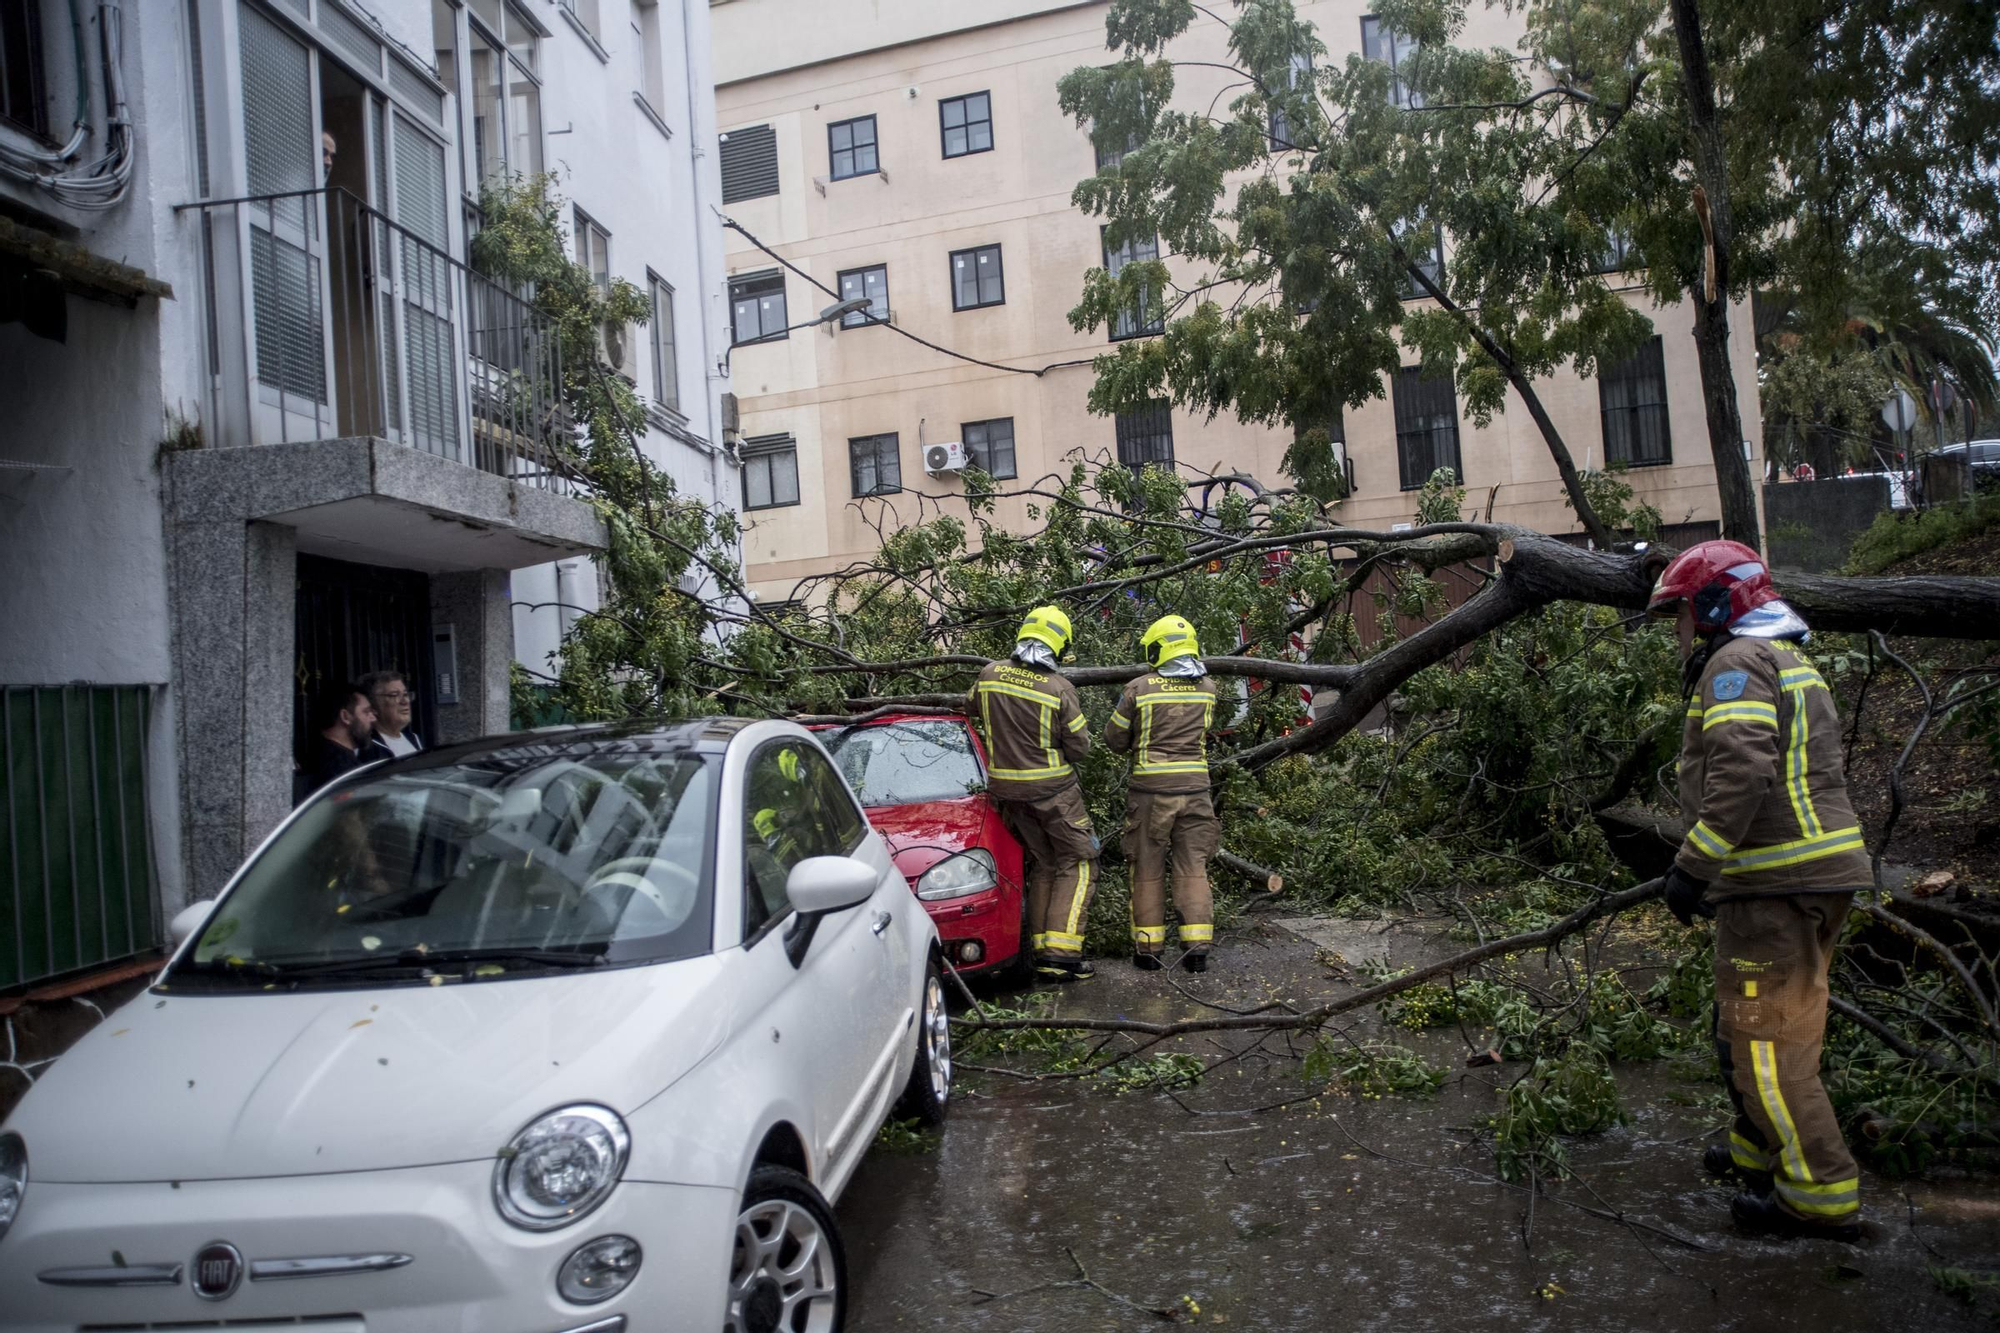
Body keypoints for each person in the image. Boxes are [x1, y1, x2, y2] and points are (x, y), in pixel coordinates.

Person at [1647, 540, 1870, 1243]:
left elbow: (1740, 776)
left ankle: (1817, 1196)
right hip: (1809, 879)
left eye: (1682, 614)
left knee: (1768, 1047)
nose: (1678, 631)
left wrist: (1692, 867)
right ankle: (1758, 1154)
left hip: (1777, 885)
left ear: (1715, 607)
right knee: (1738, 1029)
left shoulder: (1734, 666)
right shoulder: (1788, 659)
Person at [967, 605, 1098, 981]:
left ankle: (1042, 951)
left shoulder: (990, 674)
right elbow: (1080, 747)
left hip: (1008, 792)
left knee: (1044, 863)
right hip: (1054, 791)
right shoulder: (1059, 688)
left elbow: (970, 706)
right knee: (1079, 862)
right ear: (1058, 645)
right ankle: (1062, 955)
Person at [1105, 614, 1220, 973]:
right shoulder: (1208, 689)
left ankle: (1149, 951)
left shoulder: (1139, 689)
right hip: (1197, 790)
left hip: (1151, 793)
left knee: (1148, 869)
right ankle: (1197, 951)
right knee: (1193, 867)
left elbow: (1114, 739)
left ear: (1159, 648)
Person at [296, 682, 377, 806]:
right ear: (345, 717)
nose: (373, 718)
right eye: (366, 712)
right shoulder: (338, 767)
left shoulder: (319, 755)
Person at [361, 670, 424, 760]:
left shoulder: (414, 739)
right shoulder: (367, 747)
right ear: (372, 705)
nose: (405, 701)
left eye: (405, 694)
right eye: (394, 695)